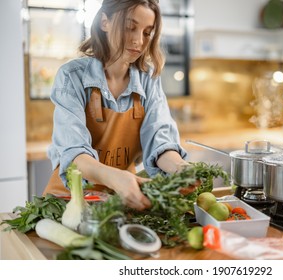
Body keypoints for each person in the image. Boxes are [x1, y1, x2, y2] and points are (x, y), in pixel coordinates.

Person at [43, 0, 188, 211]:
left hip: (122, 204)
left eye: (147, 33)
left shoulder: (148, 80)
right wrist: (116, 178)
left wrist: (181, 169)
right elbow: (74, 155)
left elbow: (160, 141)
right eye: (130, 27)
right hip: (68, 204)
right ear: (104, 22)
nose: (138, 40)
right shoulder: (72, 77)